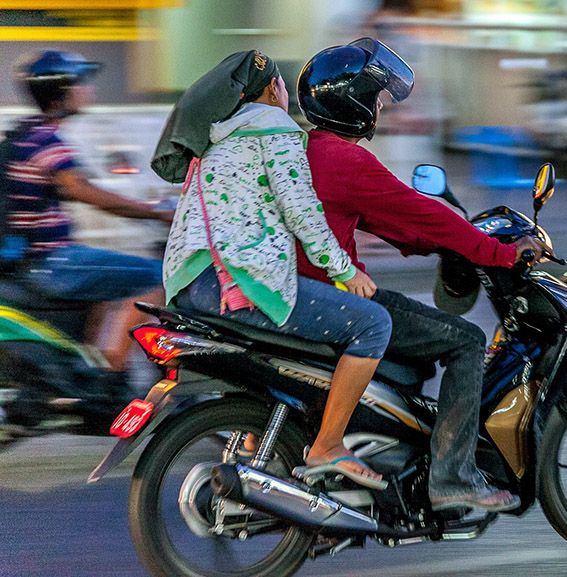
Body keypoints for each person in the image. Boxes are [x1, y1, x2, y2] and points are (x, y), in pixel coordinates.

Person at [295, 38, 544, 512]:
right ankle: (452, 476)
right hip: (336, 297)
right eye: (377, 97)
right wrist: (498, 253)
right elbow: (423, 212)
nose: (382, 105)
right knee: (467, 340)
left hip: (305, 293)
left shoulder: (307, 152)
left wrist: (433, 244)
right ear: (354, 102)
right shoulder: (347, 160)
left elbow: (394, 222)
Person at [153, 50, 391, 488]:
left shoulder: (218, 138)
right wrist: (344, 271)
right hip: (233, 284)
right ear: (269, 91)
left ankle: (253, 438)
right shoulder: (274, 129)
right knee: (373, 324)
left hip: (188, 283)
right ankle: (328, 444)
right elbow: (302, 213)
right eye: (280, 85)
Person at [1, 50, 170, 381]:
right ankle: (106, 377)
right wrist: (157, 214)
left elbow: (81, 188)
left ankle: (89, 366)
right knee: (155, 277)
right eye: (81, 82)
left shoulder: (27, 134)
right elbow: (89, 194)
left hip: (38, 259)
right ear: (62, 90)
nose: (88, 89)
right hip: (52, 261)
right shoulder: (44, 140)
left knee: (111, 279)